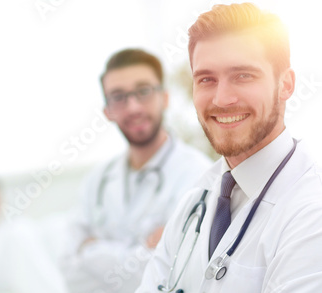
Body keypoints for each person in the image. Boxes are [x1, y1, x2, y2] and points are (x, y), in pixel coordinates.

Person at [136, 3, 322, 293]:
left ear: (285, 84)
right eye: (206, 79)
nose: (222, 99)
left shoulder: (312, 212)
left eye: (243, 75)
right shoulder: (194, 202)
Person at [61, 49, 212, 293]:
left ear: (165, 98)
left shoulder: (198, 175)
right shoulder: (95, 181)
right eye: (118, 97)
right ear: (107, 111)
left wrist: (91, 250)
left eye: (143, 91)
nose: (132, 107)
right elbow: (69, 272)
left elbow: (177, 273)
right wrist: (144, 250)